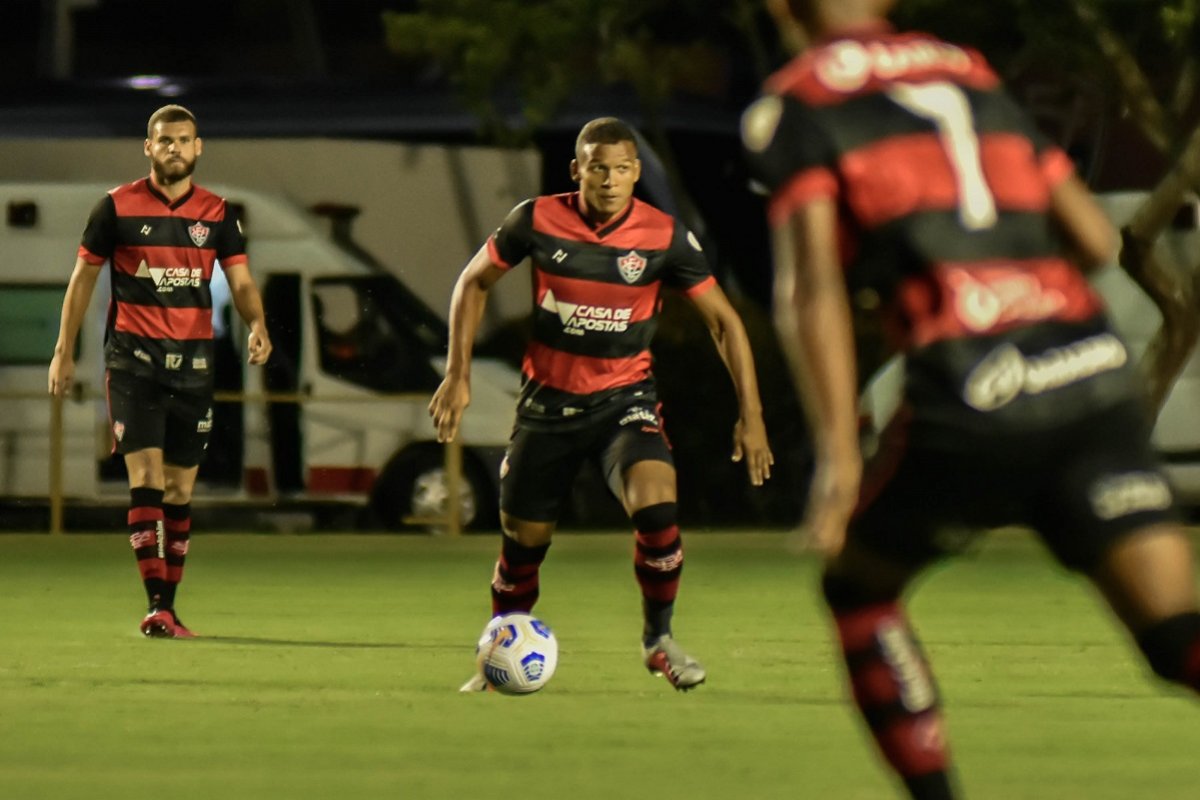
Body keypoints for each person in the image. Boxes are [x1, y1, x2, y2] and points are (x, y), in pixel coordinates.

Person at [744, 1, 1200, 797]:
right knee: (1176, 639)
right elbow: (1095, 240)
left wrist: (840, 461)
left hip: (972, 390)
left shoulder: (797, 104)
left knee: (857, 591)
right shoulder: (969, 70)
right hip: (1090, 370)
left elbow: (809, 284)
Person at [430, 117, 774, 692]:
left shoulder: (663, 236)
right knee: (522, 548)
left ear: (636, 172)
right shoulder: (536, 220)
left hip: (624, 403)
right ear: (577, 170)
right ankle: (499, 654)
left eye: (621, 169)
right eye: (597, 168)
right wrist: (457, 374)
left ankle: (658, 640)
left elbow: (725, 323)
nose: (610, 180)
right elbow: (473, 282)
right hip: (546, 410)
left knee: (659, 508)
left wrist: (753, 416)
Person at [48, 104, 272, 638]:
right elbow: (82, 280)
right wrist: (64, 348)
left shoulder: (218, 214)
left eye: (184, 140)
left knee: (178, 491)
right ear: (148, 148)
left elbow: (240, 281)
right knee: (146, 479)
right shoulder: (115, 209)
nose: (174, 148)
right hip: (133, 364)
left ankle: (168, 606)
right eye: (164, 140)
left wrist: (257, 322)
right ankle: (156, 607)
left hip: (195, 368)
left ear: (199, 148)